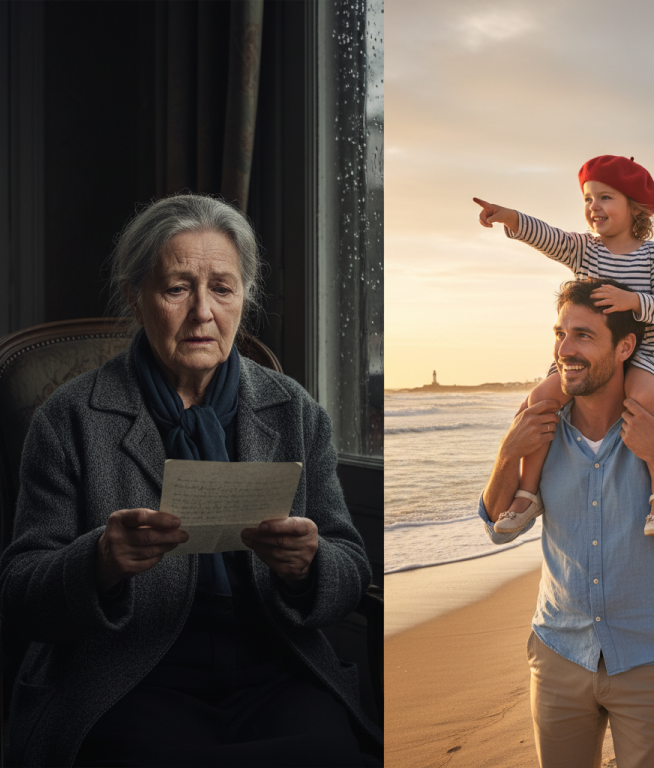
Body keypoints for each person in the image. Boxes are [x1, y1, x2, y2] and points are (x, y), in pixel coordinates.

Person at [0, 194, 382, 767]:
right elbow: (20, 593)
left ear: (243, 298)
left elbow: (351, 567)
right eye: (178, 288)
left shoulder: (294, 411)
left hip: (275, 667)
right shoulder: (71, 416)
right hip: (125, 675)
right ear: (136, 297)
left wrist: (310, 564)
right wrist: (99, 560)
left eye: (222, 289)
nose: (203, 311)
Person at [479, 278, 654, 768]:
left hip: (650, 661)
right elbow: (495, 522)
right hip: (558, 653)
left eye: (582, 336)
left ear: (625, 347)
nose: (564, 349)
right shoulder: (539, 424)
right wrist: (506, 454)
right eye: (560, 334)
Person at [474, 155, 654, 536]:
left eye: (605, 198)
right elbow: (549, 236)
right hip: (587, 356)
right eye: (588, 199)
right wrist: (511, 217)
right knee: (539, 399)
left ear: (635, 209)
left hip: (647, 354)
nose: (594, 207)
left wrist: (632, 301)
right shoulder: (585, 249)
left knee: (643, 399)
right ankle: (527, 492)